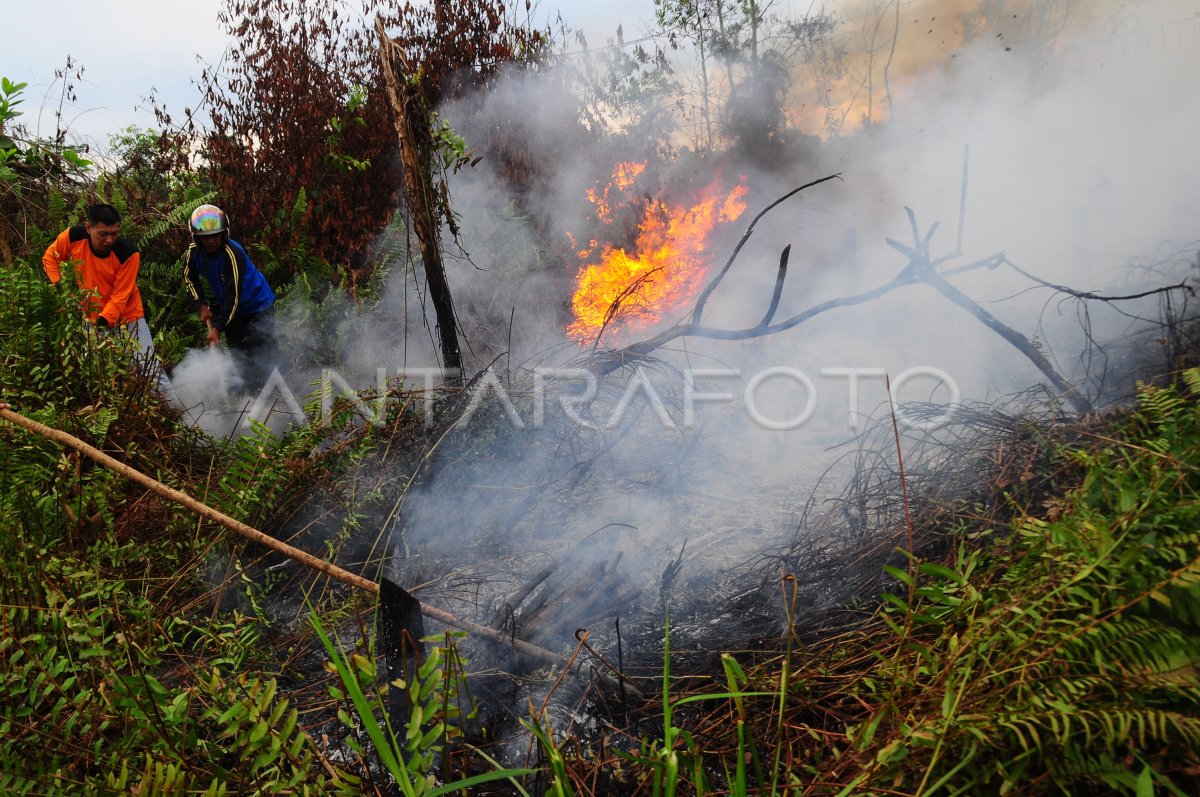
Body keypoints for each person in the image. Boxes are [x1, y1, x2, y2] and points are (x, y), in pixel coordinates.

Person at [42, 204, 177, 402]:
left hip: (129, 319)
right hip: (90, 318)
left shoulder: (128, 253)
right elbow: (49, 259)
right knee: (101, 375)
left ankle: (178, 418)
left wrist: (102, 323)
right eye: (103, 234)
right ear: (89, 228)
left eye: (114, 234)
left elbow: (121, 296)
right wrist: (62, 289)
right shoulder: (72, 237)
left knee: (150, 371)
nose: (109, 240)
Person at [182, 204, 277, 388]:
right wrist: (202, 305)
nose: (211, 241)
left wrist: (217, 329)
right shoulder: (193, 253)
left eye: (215, 236)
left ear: (223, 234)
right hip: (231, 308)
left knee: (263, 350)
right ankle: (246, 395)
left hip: (258, 306)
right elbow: (189, 277)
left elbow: (232, 296)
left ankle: (275, 390)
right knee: (238, 352)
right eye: (205, 237)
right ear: (197, 238)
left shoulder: (232, 254)